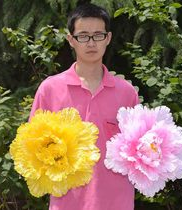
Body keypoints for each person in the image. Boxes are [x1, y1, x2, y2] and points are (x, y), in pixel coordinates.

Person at [30, 3, 139, 210]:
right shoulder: (50, 89)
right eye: (83, 36)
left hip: (117, 202)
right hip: (66, 202)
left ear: (108, 38)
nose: (91, 43)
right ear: (71, 40)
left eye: (98, 35)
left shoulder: (126, 93)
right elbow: (32, 148)